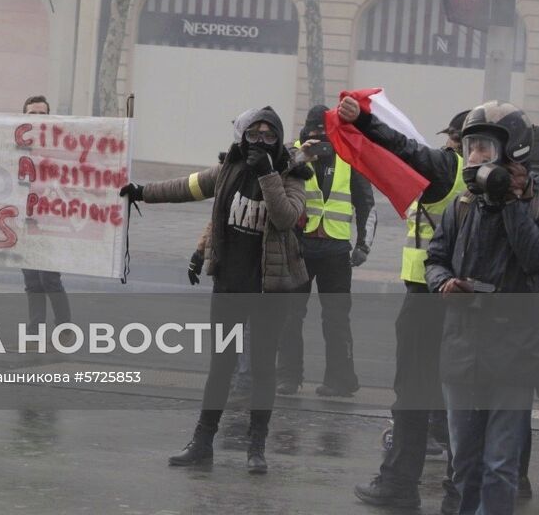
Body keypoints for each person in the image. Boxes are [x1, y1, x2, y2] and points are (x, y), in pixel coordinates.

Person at [121, 107, 309, 474]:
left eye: (269, 135)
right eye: (253, 134)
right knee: (221, 367)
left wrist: (267, 173)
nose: (260, 141)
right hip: (230, 286)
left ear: (278, 139)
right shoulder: (229, 169)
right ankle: (202, 443)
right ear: (243, 137)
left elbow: (286, 217)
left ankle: (256, 448)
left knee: (262, 369)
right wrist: (142, 192)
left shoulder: (292, 175)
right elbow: (188, 187)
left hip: (270, 291)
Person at [345, 101, 466, 513]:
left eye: (452, 138)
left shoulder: (447, 169)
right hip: (468, 299)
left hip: (426, 297)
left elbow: (402, 148)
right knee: (458, 398)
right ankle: (465, 487)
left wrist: (364, 121)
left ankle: (398, 483)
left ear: (459, 140)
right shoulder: (493, 181)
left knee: (413, 393)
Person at [424, 101, 539, 515]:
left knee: (499, 467)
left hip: (513, 355)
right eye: (471, 147)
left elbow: (533, 259)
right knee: (465, 465)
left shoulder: (531, 207)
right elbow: (435, 259)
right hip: (462, 351)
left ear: (512, 153)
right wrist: (444, 282)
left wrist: (512, 203)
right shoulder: (460, 207)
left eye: (484, 149)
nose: (474, 157)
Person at [276, 105, 375, 397]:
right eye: (313, 130)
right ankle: (288, 377)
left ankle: (341, 380)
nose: (318, 135)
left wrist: (364, 245)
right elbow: (271, 181)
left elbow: (366, 204)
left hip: (335, 250)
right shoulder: (291, 152)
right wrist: (300, 157)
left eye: (324, 130)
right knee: (290, 315)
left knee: (336, 318)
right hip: (298, 247)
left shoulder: (349, 155)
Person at [18, 95, 72, 335]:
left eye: (43, 114)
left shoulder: (60, 146)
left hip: (52, 221)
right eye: (33, 114)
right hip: (24, 220)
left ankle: (64, 328)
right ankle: (34, 331)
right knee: (32, 280)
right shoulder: (16, 145)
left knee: (49, 278)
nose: (38, 118)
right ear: (24, 116)